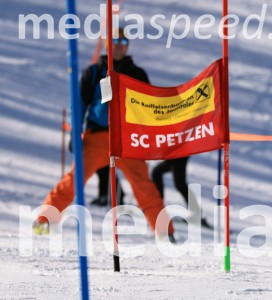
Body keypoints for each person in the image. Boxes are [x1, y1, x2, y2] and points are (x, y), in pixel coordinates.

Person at [34, 29, 173, 240]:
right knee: (74, 179)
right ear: (107, 44)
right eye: (115, 40)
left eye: (123, 41)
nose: (119, 45)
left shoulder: (137, 73)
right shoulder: (94, 72)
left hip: (127, 139)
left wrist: (149, 137)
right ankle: (45, 220)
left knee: (143, 185)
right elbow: (79, 105)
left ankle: (164, 232)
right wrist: (75, 133)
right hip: (97, 136)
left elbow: (150, 107)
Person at [151, 157, 210, 227]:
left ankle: (196, 215)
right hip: (176, 155)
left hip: (179, 156)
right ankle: (158, 208)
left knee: (179, 184)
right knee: (157, 173)